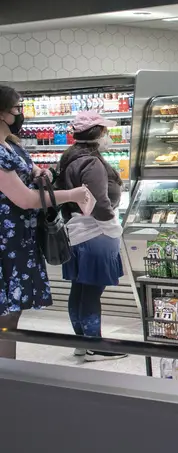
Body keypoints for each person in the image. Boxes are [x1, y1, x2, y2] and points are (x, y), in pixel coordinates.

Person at [0, 85, 94, 360]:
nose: (21, 113)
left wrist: (39, 172)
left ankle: (10, 376)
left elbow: (29, 174)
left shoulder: (12, 145)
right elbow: (25, 199)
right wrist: (72, 195)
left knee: (11, 317)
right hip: (6, 244)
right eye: (17, 108)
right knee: (5, 317)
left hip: (20, 240)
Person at [55, 110, 127, 362]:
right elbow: (98, 202)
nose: (108, 136)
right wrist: (111, 227)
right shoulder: (92, 163)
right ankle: (95, 345)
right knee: (93, 291)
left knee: (80, 289)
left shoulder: (69, 157)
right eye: (105, 131)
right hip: (95, 233)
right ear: (97, 134)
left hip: (75, 230)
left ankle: (81, 342)